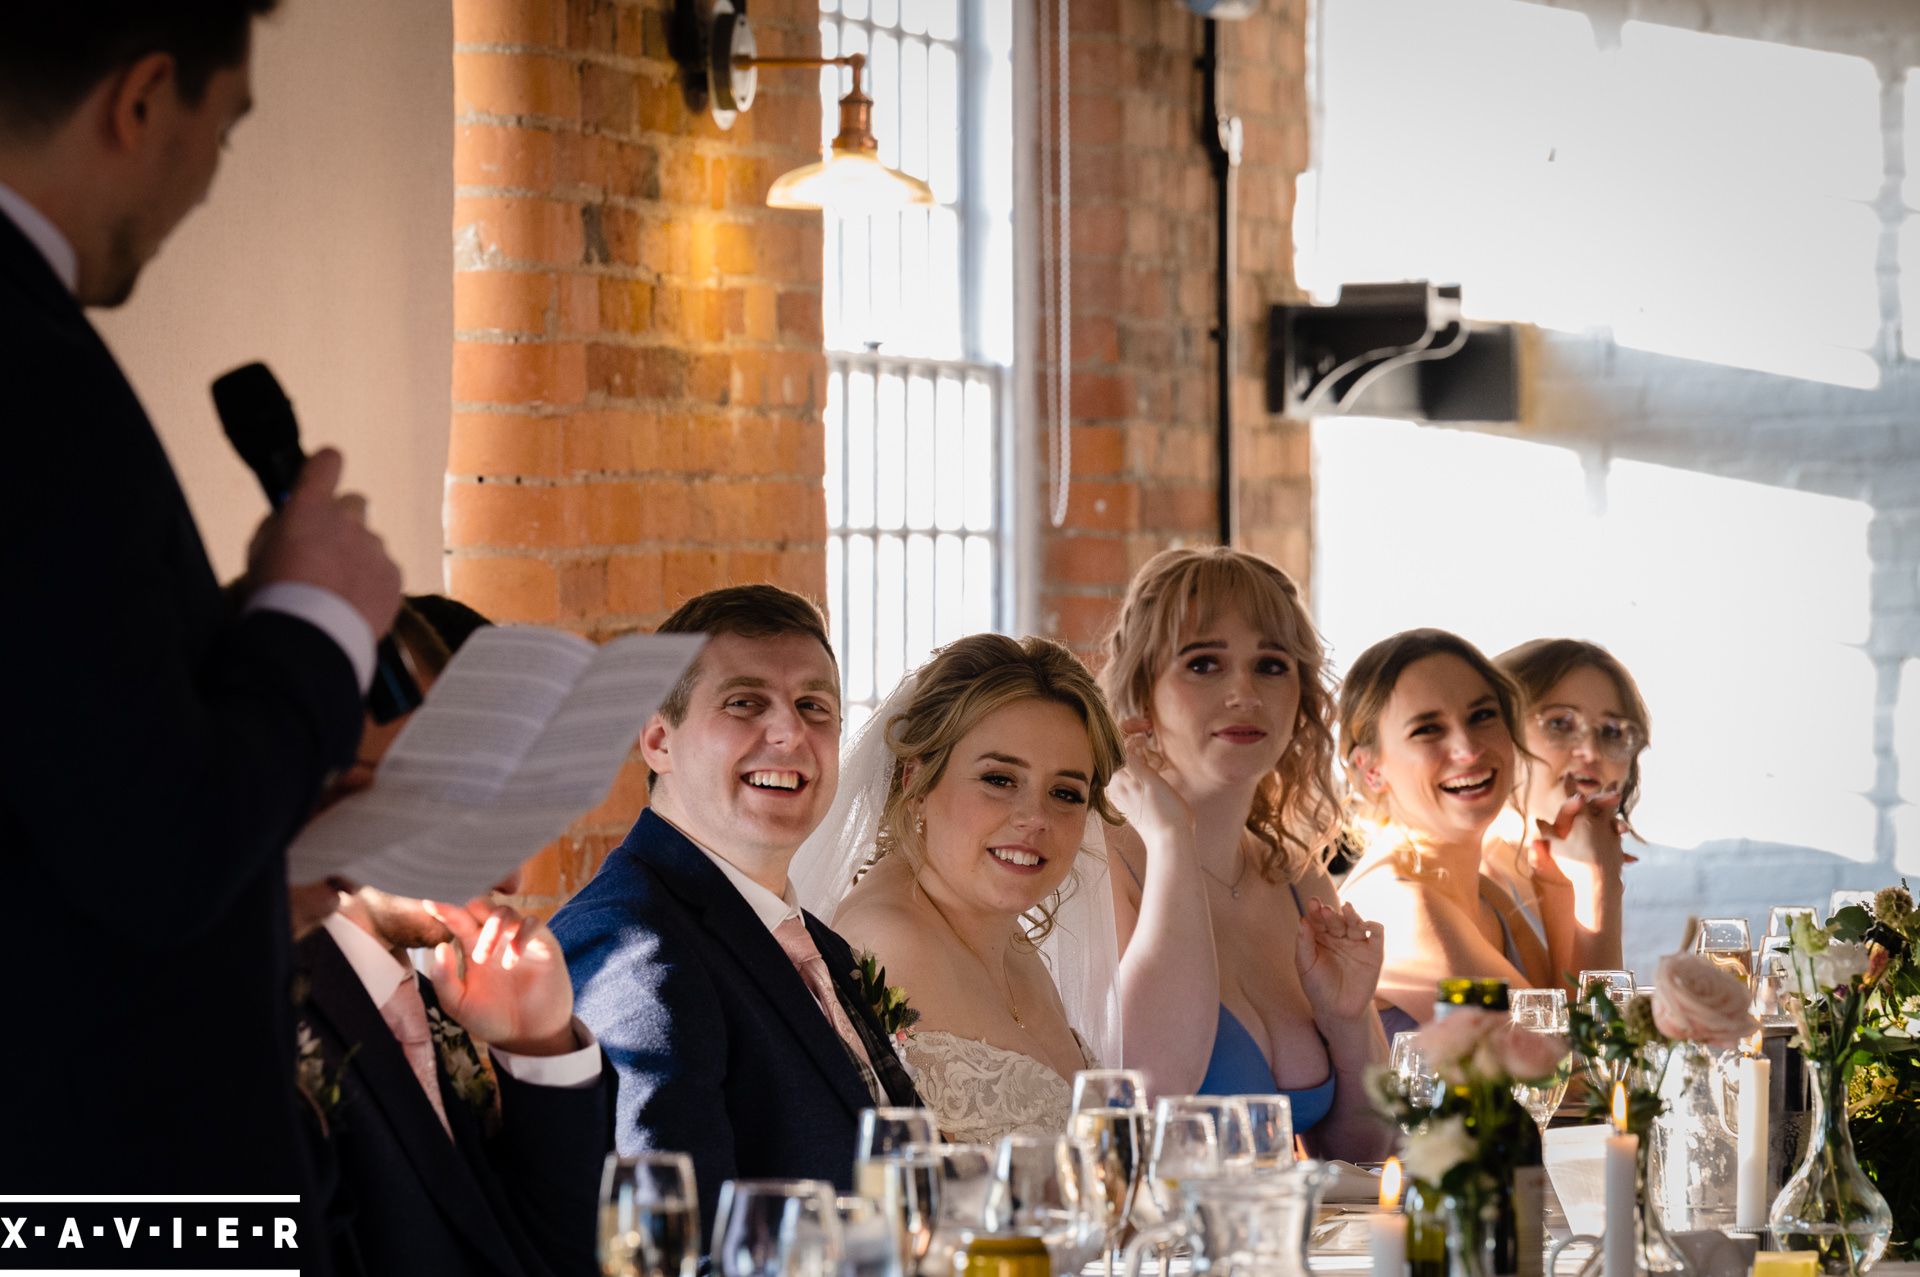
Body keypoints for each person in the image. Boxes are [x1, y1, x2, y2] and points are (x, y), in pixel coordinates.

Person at [0, 1, 402, 1218]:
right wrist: (314, 622)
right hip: (102, 1192)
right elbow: (159, 841)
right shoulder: (31, 368)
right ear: (141, 100)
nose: (206, 187)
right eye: (221, 134)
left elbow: (58, 766)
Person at [551, 585, 921, 1245]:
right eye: (744, 702)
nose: (790, 732)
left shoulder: (825, 949)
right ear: (659, 740)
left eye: (815, 706)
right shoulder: (640, 947)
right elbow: (676, 1246)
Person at [295, 596, 611, 1277]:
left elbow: (556, 1262)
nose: (512, 874)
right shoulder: (266, 1010)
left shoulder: (444, 999)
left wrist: (542, 1048)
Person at [1096, 547, 1390, 1160]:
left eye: (1271, 665)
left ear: (1302, 698)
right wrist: (1171, 837)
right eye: (1204, 664)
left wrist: (1346, 1021)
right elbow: (1145, 1106)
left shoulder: (1297, 876)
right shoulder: (1097, 868)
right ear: (1143, 696)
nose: (1243, 692)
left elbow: (1361, 1150)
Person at [794, 634, 1126, 1145]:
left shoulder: (1004, 933)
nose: (1035, 818)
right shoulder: (885, 946)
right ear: (917, 782)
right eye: (999, 779)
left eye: (1065, 793)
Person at [1335, 629, 1563, 1036]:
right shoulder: (1400, 906)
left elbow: (1579, 1034)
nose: (1468, 749)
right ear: (1371, 769)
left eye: (1482, 716)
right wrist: (1597, 888)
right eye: (1427, 730)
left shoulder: (1486, 894)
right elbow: (1562, 1070)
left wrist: (1565, 887)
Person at [1482, 638, 1645, 979]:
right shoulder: (1472, 884)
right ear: (1497, 731)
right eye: (1560, 724)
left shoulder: (1551, 871)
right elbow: (1588, 1031)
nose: (1590, 751)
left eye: (1612, 731)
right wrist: (1600, 886)